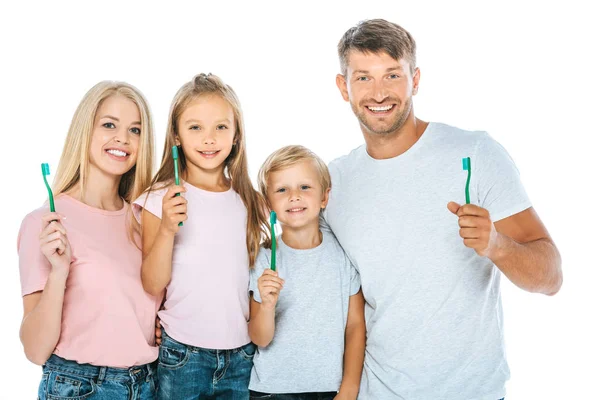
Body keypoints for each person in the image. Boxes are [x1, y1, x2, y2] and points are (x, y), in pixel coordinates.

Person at [325, 19, 563, 399]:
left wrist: (496, 244)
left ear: (415, 79)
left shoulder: (475, 153)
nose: (379, 92)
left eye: (392, 75)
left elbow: (551, 277)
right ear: (344, 87)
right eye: (363, 78)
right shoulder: (332, 184)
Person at [17, 81, 160, 399]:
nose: (122, 138)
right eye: (109, 124)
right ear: (86, 130)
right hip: (80, 387)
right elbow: (35, 350)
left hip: (150, 385)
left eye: (135, 130)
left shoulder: (145, 222)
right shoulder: (44, 223)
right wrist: (58, 272)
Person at [134, 73, 267, 399]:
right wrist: (166, 228)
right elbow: (152, 283)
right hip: (183, 353)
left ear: (236, 135)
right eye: (195, 127)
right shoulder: (160, 197)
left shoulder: (249, 200)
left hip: (240, 355)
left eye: (221, 127)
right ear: (176, 135)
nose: (209, 139)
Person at [248, 145, 366, 400]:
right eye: (282, 189)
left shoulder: (342, 254)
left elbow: (355, 326)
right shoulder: (264, 259)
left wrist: (349, 388)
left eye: (305, 187)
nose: (294, 196)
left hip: (330, 390)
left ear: (324, 197)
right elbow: (260, 338)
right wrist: (267, 306)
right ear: (268, 203)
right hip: (271, 390)